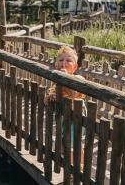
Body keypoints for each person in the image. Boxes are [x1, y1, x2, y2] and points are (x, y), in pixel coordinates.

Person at [44, 45, 85, 175]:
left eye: (68, 61)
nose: (64, 63)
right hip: (64, 118)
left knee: (72, 146)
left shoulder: (78, 79)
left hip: (76, 118)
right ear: (56, 65)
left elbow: (73, 94)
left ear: (75, 67)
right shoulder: (56, 82)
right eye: (61, 60)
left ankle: (77, 171)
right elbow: (52, 95)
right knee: (66, 146)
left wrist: (67, 78)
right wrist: (49, 96)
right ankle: (79, 165)